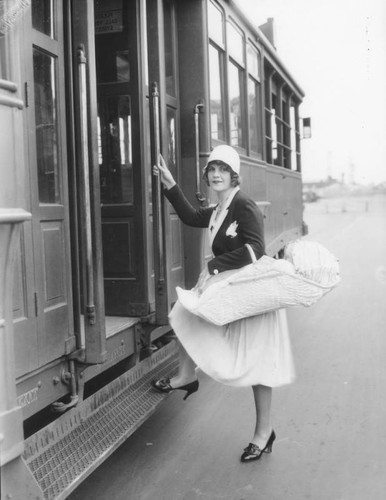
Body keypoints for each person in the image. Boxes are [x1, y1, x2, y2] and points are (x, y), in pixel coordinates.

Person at [151, 145, 295, 462]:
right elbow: (190, 216)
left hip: (252, 295)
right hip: (233, 292)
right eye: (212, 169)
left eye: (223, 170)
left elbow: (256, 249)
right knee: (186, 311)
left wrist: (213, 267)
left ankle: (263, 432)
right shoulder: (220, 208)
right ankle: (186, 376)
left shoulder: (243, 204)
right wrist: (170, 184)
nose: (216, 174)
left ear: (233, 175)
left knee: (258, 367)